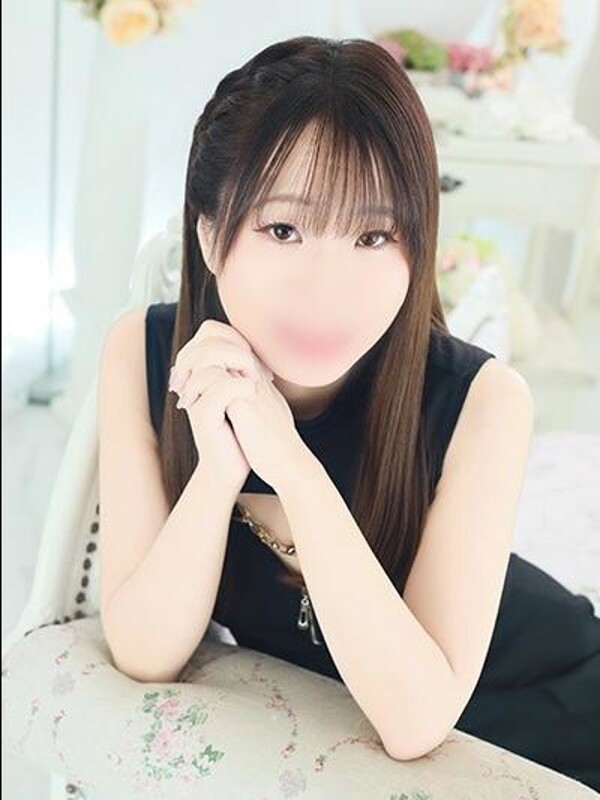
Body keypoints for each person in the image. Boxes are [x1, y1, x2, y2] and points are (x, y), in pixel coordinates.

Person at [97, 36, 600, 791]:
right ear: (209, 233)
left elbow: (415, 721)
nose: (327, 286)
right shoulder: (144, 353)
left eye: (373, 236)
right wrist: (218, 473)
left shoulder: (485, 401)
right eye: (284, 229)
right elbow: (143, 650)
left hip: (553, 713)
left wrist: (290, 464)